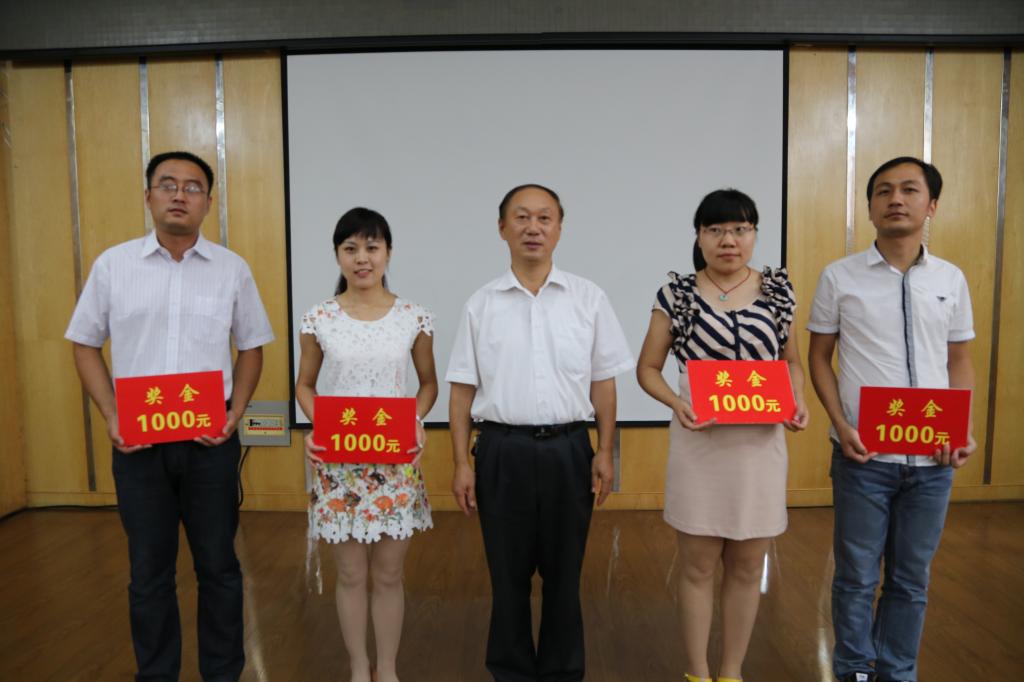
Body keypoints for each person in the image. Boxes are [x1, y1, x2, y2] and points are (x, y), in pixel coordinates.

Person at [65, 150, 274, 681]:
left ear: (208, 201)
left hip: (210, 445)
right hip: (137, 446)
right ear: (148, 196)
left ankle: (222, 674)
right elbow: (85, 343)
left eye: (192, 187)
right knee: (149, 574)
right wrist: (111, 414)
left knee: (219, 568)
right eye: (167, 184)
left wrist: (236, 411)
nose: (180, 195)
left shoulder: (231, 269)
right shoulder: (113, 266)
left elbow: (251, 346)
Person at [447, 184, 634, 682]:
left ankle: (561, 672)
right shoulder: (481, 304)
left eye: (544, 218)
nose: (533, 228)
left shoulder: (589, 298)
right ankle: (509, 672)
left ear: (559, 229)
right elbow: (462, 391)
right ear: (502, 227)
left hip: (569, 449)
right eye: (522, 217)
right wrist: (461, 462)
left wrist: (605, 451)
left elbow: (603, 383)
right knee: (506, 578)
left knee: (564, 576)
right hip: (500, 451)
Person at [807, 157, 976, 682]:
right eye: (883, 191)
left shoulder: (950, 278)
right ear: (870, 208)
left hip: (933, 458)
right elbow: (819, 358)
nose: (895, 199)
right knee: (856, 577)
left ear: (932, 205)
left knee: (911, 579)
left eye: (908, 190)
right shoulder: (839, 276)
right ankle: (855, 670)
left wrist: (961, 429)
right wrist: (841, 424)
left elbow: (959, 361)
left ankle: (898, 672)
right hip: (863, 455)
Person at [636, 189, 809, 682]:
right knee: (697, 567)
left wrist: (797, 400)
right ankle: (697, 672)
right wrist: (677, 403)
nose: (728, 240)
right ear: (699, 236)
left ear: (754, 234)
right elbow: (647, 368)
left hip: (759, 447)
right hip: (701, 445)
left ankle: (731, 672)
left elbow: (792, 363)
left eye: (739, 229)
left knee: (749, 566)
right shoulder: (676, 294)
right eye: (715, 230)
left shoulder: (778, 291)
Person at [296, 207, 437, 682]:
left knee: (389, 575)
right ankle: (360, 667)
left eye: (372, 247)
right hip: (338, 466)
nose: (362, 258)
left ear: (388, 253)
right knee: (351, 574)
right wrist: (320, 426)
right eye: (350, 248)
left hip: (395, 463)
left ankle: (388, 669)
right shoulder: (319, 318)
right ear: (337, 255)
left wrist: (415, 420)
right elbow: (305, 385)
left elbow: (428, 384)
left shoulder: (413, 317)